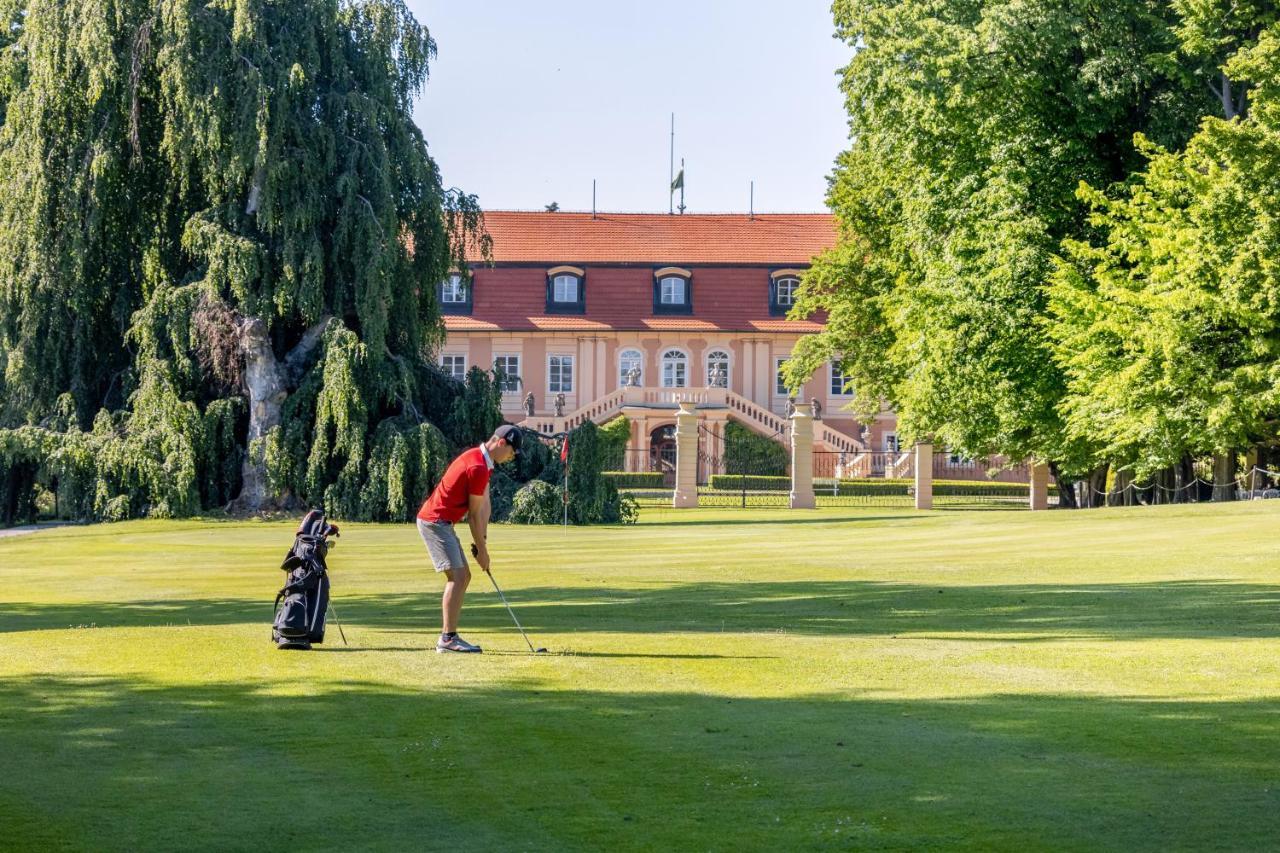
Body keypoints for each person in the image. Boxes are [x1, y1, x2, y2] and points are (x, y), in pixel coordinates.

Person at [416, 424, 523, 653]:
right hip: (435, 522)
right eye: (512, 452)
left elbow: (484, 505)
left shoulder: (484, 463)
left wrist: (482, 541)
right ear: (501, 443)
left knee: (462, 576)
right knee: (458, 576)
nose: (511, 458)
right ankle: (447, 639)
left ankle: (449, 637)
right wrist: (482, 552)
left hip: (442, 522)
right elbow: (473, 516)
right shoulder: (477, 467)